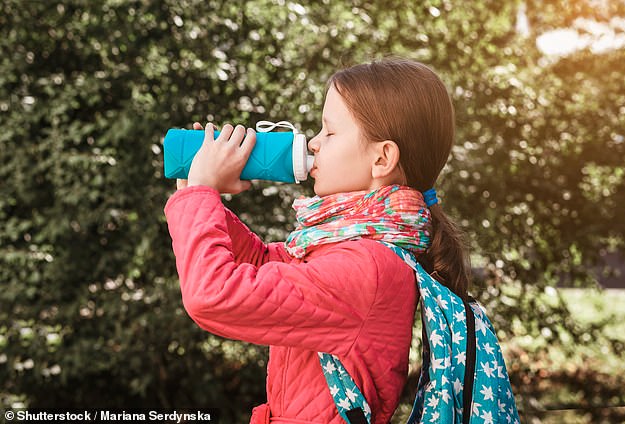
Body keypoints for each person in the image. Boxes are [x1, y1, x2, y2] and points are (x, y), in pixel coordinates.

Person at [164, 57, 470, 423]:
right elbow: (260, 265)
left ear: (382, 158)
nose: (313, 144)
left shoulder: (367, 268)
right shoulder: (351, 248)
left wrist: (202, 193)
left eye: (329, 132)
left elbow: (213, 296)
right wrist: (199, 192)